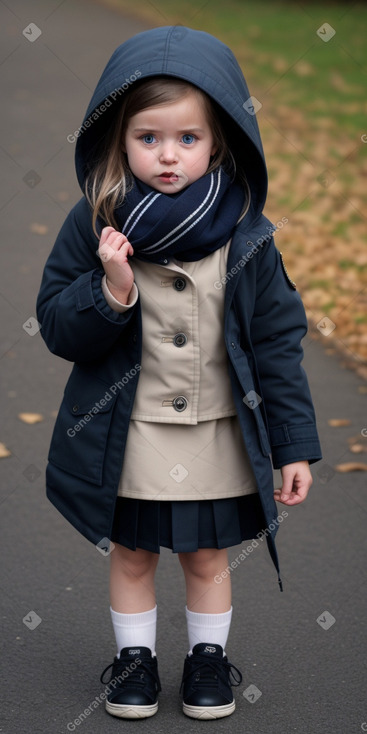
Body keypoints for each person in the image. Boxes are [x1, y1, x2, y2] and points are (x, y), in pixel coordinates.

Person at [36, 25, 322, 721]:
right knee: (133, 555)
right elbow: (55, 325)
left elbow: (278, 340)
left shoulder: (248, 233)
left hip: (216, 433)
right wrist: (109, 290)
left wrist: (291, 444)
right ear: (118, 139)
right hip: (128, 435)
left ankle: (207, 663)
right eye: (148, 137)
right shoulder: (96, 222)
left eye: (187, 138)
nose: (167, 155)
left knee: (207, 558)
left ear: (220, 139)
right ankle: (134, 664)